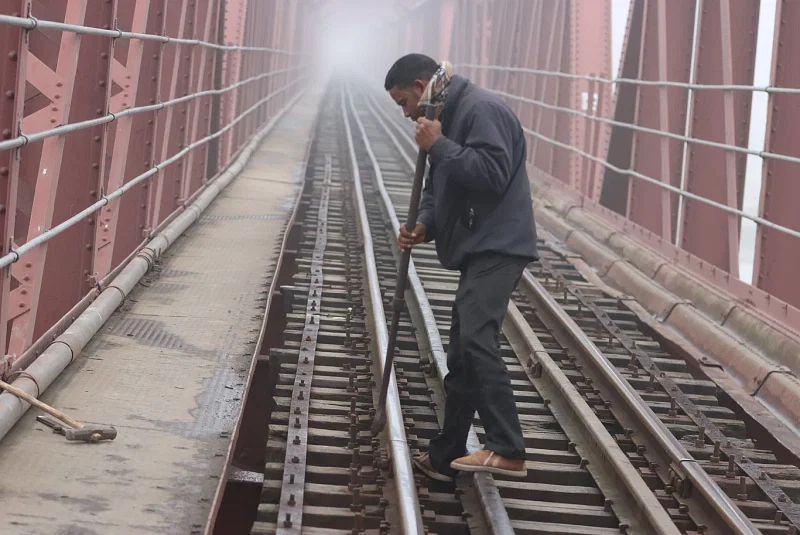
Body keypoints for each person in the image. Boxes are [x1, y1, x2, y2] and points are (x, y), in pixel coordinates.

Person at [384, 53, 538, 481]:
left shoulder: (480, 109)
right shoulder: (445, 115)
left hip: (499, 245)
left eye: (403, 102)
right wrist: (423, 224)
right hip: (480, 246)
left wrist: (439, 145)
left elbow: (492, 172)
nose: (406, 112)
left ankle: (508, 448)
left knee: (475, 338)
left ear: (419, 85)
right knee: (461, 355)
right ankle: (445, 455)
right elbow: (440, 187)